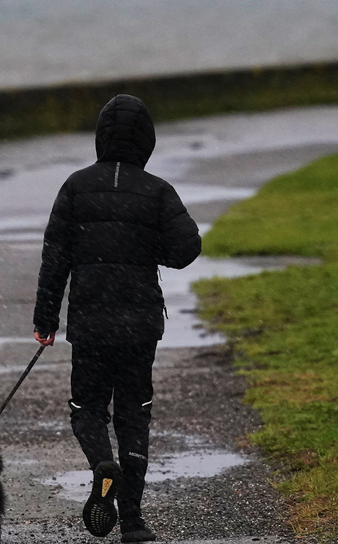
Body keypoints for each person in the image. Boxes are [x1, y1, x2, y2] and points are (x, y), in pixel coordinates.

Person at [32, 94, 201, 543]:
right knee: (134, 412)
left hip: (89, 322)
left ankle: (100, 465)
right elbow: (187, 248)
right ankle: (132, 521)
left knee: (87, 407)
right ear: (147, 140)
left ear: (100, 137)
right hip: (139, 324)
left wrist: (45, 318)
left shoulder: (74, 186)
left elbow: (55, 260)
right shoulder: (158, 190)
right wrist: (149, 249)